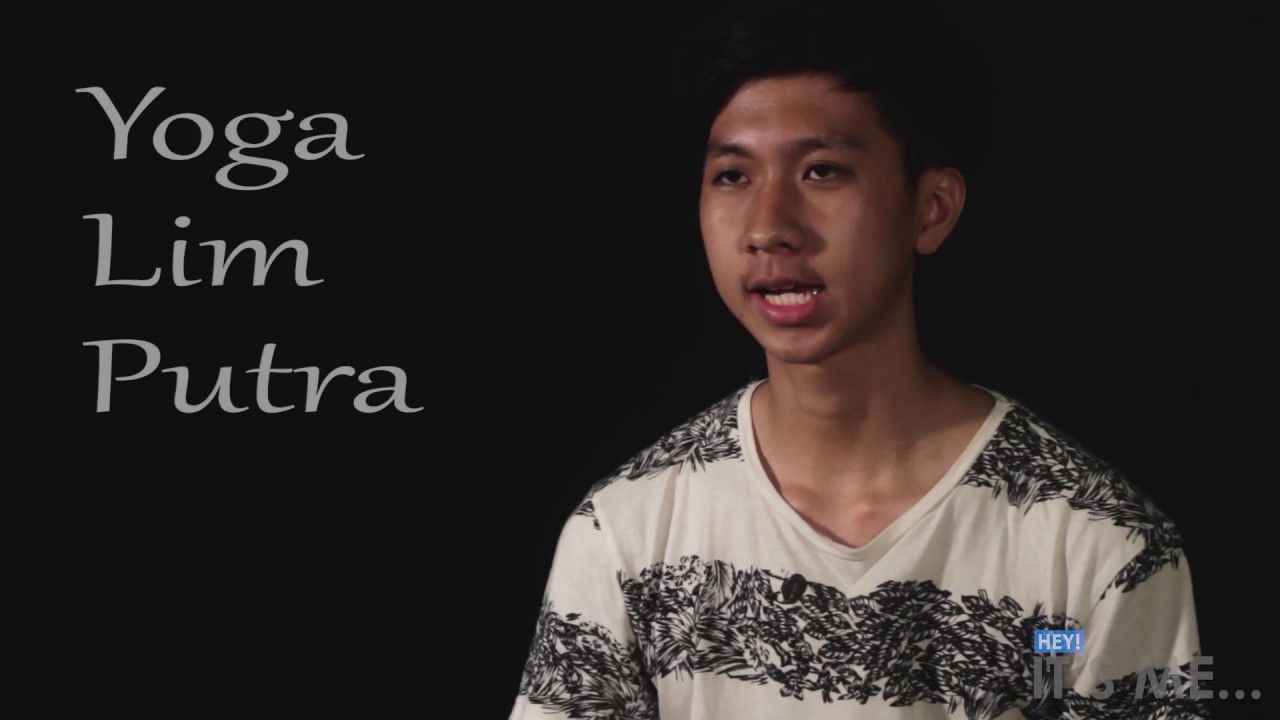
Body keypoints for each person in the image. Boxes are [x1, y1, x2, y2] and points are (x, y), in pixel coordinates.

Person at [510, 2, 1208, 718]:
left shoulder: (1096, 545)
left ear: (932, 207)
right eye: (733, 176)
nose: (768, 228)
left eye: (821, 171)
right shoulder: (626, 530)